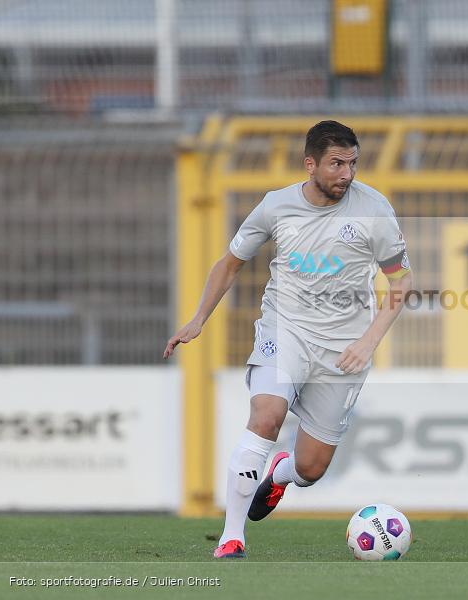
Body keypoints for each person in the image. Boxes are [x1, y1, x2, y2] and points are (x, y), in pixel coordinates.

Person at [163, 120, 413, 558]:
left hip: (344, 349)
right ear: (310, 163)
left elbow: (402, 283)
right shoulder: (276, 207)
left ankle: (279, 474)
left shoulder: (374, 210)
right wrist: (199, 317)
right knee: (266, 415)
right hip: (287, 329)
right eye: (337, 164)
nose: (347, 174)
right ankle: (231, 537)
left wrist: (368, 342)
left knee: (311, 468)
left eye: (353, 164)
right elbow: (229, 263)